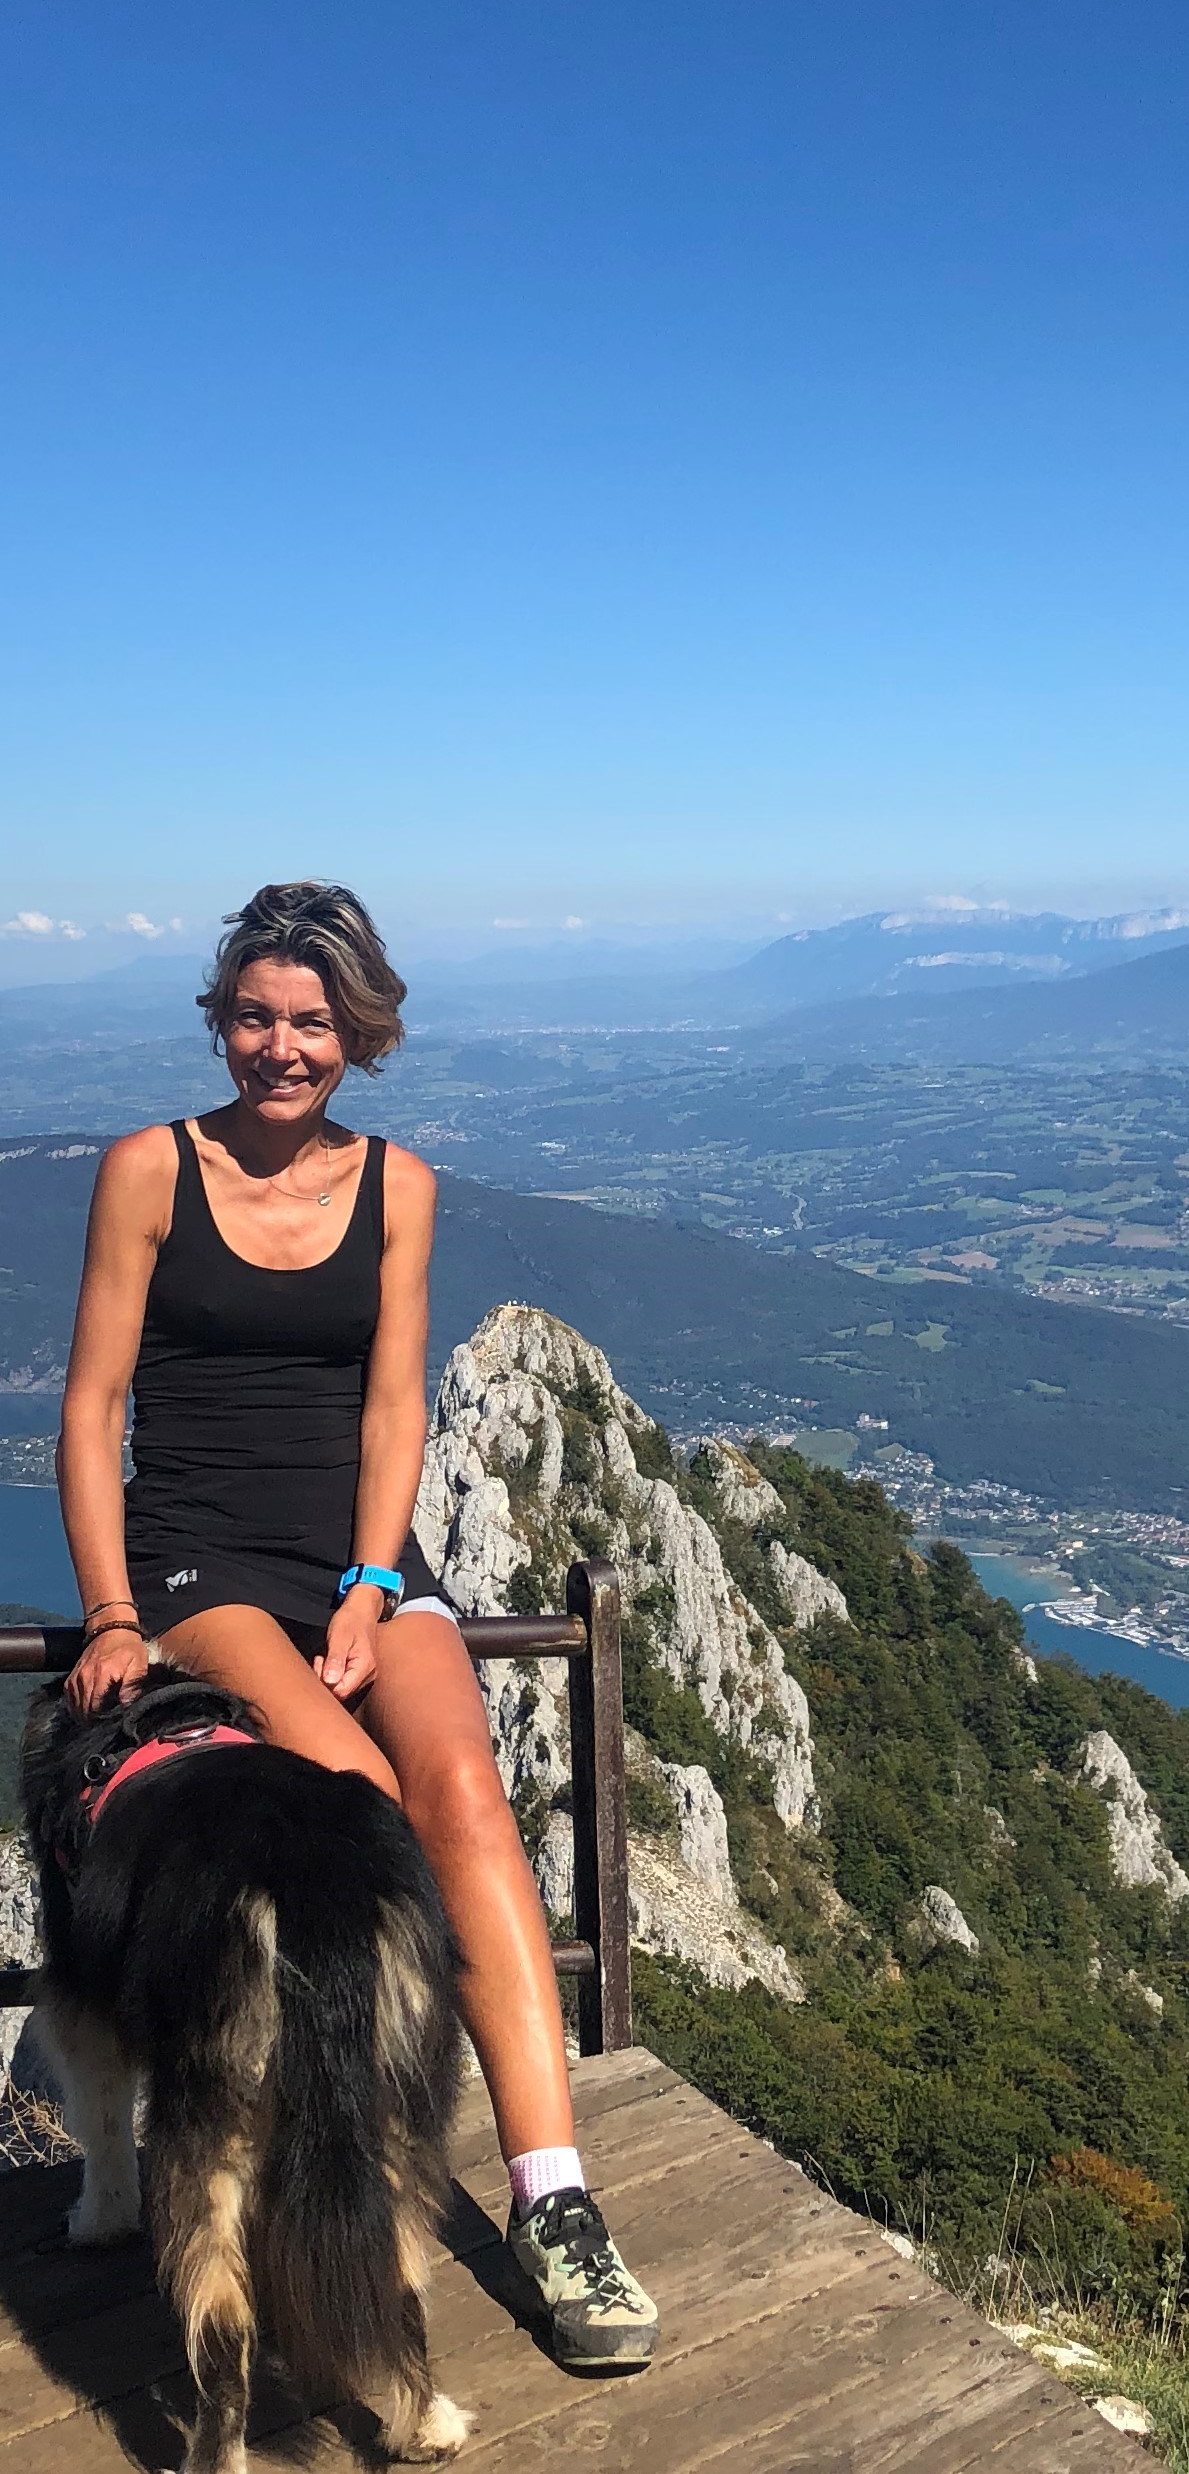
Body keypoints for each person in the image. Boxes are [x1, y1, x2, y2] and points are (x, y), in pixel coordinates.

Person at [57, 880, 660, 2370]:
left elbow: (396, 1403)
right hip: (198, 1562)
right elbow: (92, 1404)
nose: (282, 1047)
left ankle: (554, 2197)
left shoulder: (400, 1186)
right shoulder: (149, 1169)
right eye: (256, 1016)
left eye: (313, 1022)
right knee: (358, 1802)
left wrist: (376, 1582)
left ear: (361, 1032)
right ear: (221, 1019)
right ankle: (347, 2165)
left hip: (360, 1555)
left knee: (463, 1795)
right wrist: (113, 1610)